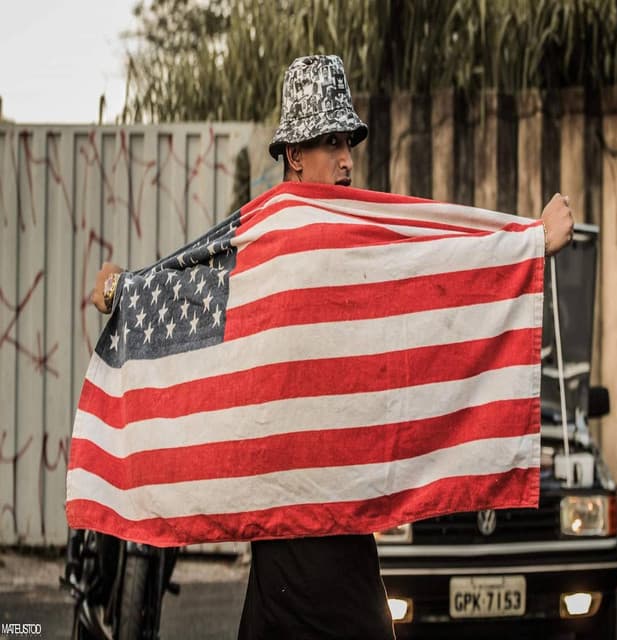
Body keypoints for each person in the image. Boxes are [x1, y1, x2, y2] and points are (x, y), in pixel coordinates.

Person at [91, 55, 574, 639]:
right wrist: (125, 287)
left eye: (350, 144)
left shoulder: (360, 240)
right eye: (331, 143)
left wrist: (526, 245)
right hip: (290, 561)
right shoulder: (256, 245)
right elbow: (189, 290)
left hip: (340, 543)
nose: (347, 161)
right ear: (294, 154)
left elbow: (437, 265)